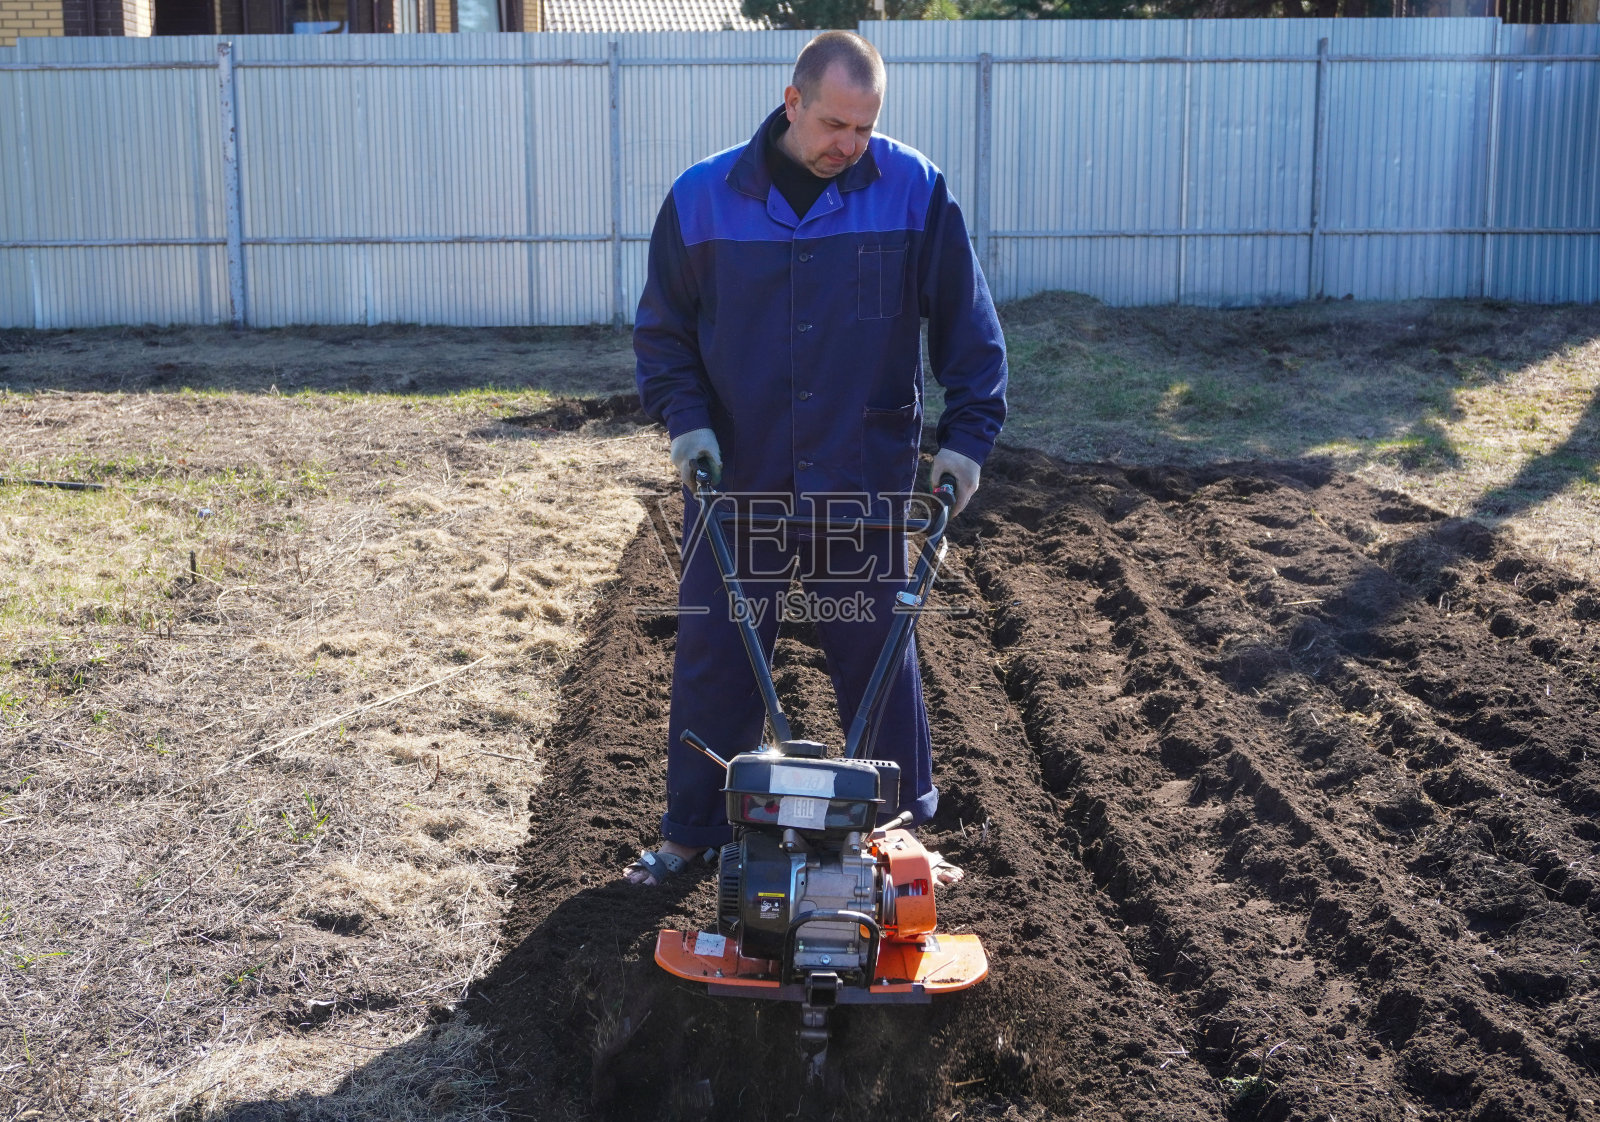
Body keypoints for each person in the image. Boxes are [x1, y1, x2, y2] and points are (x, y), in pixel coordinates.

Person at [627, 30, 1007, 886]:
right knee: (719, 650)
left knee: (879, 651)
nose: (849, 145)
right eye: (836, 123)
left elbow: (968, 329)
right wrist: (687, 425)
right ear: (792, 102)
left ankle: (900, 833)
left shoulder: (912, 189)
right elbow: (663, 335)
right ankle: (693, 831)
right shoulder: (702, 199)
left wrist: (967, 438)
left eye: (866, 129)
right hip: (741, 477)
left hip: (858, 474)